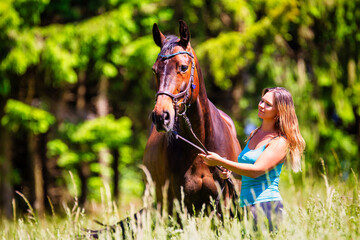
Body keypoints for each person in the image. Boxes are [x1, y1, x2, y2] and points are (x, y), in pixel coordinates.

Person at [199, 87, 305, 231]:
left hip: (267, 207)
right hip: (246, 208)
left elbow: (256, 171)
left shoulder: (279, 141)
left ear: (279, 111)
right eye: (262, 101)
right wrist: (230, 172)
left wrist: (220, 161)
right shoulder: (255, 133)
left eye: (268, 104)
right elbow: (245, 174)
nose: (261, 105)